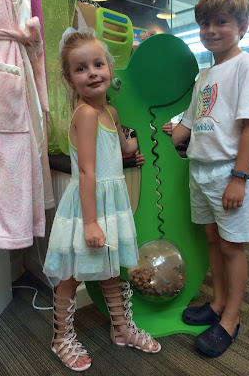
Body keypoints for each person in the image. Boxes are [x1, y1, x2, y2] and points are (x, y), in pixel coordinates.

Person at [157, 0, 249, 358]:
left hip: (228, 172)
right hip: (200, 171)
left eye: (221, 22)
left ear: (242, 27)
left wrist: (239, 178)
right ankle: (218, 303)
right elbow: (187, 126)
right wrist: (150, 137)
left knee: (233, 247)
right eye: (205, 23)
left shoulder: (247, 67)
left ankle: (231, 320)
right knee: (213, 239)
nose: (210, 30)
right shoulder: (205, 77)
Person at [43, 27, 161, 372]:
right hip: (89, 206)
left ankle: (121, 328)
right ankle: (60, 337)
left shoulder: (110, 112)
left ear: (110, 68)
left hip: (110, 203)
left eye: (98, 64)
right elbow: (86, 171)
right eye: (81, 68)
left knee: (111, 267)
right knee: (71, 275)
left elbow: (121, 145)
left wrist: (135, 150)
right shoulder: (86, 114)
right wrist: (91, 223)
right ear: (70, 79)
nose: (93, 73)